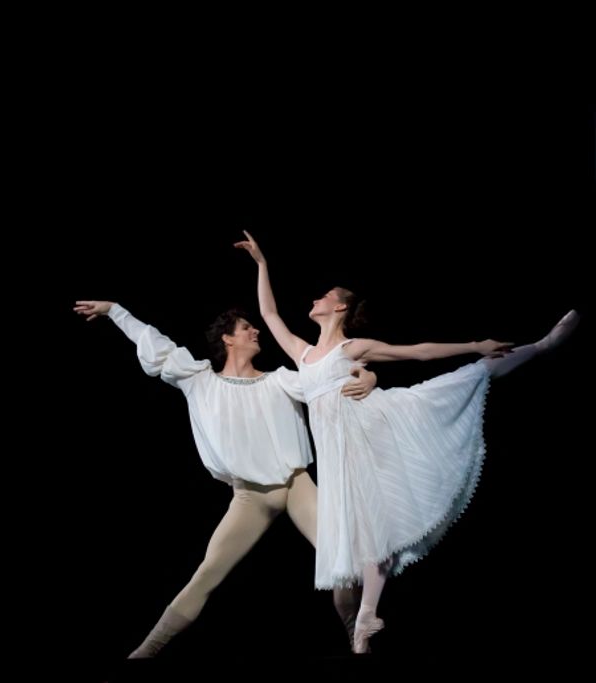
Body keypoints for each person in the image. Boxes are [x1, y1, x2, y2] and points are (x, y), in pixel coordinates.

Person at [235, 231, 580, 653]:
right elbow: (269, 315)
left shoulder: (353, 347)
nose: (315, 299)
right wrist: (262, 264)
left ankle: (541, 345)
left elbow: (418, 352)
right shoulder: (303, 354)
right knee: (364, 538)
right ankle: (362, 622)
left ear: (339, 306)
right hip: (337, 455)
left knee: (466, 377)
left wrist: (474, 344)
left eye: (324, 295)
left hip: (374, 429)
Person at [74, 299, 377, 657]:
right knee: (206, 575)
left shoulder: (281, 380)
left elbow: (329, 379)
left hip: (296, 486)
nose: (256, 331)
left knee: (346, 561)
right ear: (228, 340)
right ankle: (141, 655)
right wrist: (115, 311)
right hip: (250, 497)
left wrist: (368, 376)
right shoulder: (199, 380)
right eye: (247, 328)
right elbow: (153, 342)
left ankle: (358, 640)